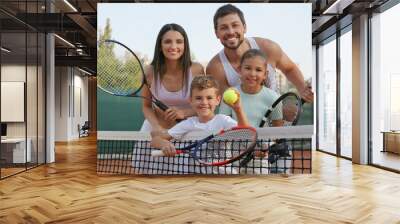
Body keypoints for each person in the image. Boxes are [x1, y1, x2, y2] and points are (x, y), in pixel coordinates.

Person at [206, 4, 313, 102]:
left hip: (279, 117)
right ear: (216, 33)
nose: (230, 32)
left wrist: (303, 88)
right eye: (224, 28)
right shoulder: (215, 68)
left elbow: (289, 69)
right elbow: (229, 105)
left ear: (244, 27)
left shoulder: (268, 47)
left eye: (235, 25)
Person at [151, 75, 249, 156]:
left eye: (209, 98)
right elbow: (155, 140)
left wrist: (238, 109)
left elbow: (246, 135)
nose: (204, 102)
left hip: (222, 177)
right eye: (198, 98)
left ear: (218, 100)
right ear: (190, 100)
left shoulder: (224, 121)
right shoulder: (188, 124)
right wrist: (165, 144)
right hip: (194, 177)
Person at [141, 23, 205, 132]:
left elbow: (205, 104)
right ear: (160, 46)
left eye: (179, 42)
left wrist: (183, 113)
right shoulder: (149, 72)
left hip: (189, 130)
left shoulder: (197, 70)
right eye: (167, 42)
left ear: (185, 45)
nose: (173, 46)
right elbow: (146, 106)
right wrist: (157, 127)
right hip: (156, 129)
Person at [219, 49, 283, 127]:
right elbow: (222, 126)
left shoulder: (274, 98)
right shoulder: (229, 94)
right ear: (239, 70)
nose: (252, 74)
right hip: (236, 139)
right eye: (248, 68)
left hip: (264, 139)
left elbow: (277, 132)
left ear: (265, 75)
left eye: (258, 70)